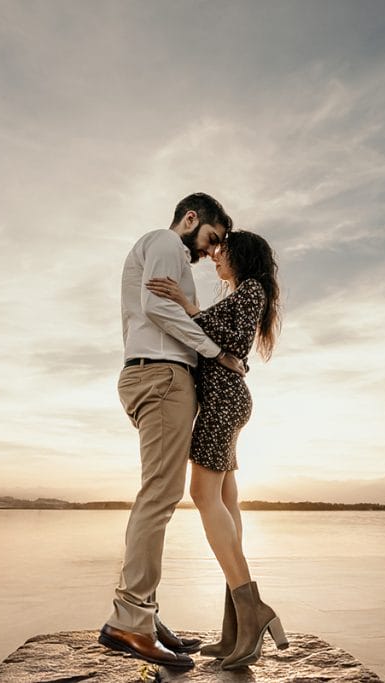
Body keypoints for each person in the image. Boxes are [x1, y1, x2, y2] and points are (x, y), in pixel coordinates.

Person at [98, 193, 245, 670]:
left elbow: (172, 310)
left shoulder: (172, 255)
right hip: (161, 376)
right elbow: (157, 309)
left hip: (161, 376)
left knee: (158, 493)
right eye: (211, 237)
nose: (211, 250)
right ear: (190, 218)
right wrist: (215, 353)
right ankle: (131, 620)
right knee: (160, 495)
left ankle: (145, 612)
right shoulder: (164, 241)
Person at [145, 229, 288, 670]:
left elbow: (226, 337)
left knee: (203, 497)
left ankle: (253, 611)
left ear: (241, 256)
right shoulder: (249, 292)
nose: (213, 260)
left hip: (224, 402)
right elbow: (226, 340)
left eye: (220, 253)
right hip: (229, 399)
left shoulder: (251, 289)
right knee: (225, 501)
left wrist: (188, 308)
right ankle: (234, 629)